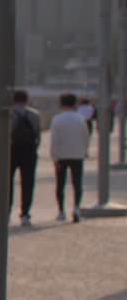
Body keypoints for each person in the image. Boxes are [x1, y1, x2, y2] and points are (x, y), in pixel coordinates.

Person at [50, 93, 90, 223]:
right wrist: (85, 151)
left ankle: (61, 211)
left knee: (60, 184)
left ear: (61, 104)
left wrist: (54, 156)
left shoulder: (57, 119)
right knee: (77, 182)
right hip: (77, 154)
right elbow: (85, 137)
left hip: (61, 155)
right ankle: (76, 208)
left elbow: (54, 140)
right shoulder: (80, 118)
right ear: (75, 104)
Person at [10, 90, 41, 227]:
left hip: (11, 151)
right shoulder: (34, 114)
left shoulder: (8, 113)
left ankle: (6, 212)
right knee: (28, 183)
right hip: (29, 152)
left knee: (7, 183)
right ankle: (25, 214)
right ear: (26, 100)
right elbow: (37, 135)